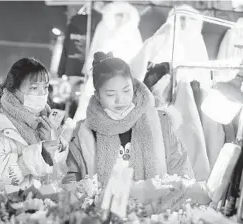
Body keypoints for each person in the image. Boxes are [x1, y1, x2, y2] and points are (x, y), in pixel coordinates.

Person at [64, 52, 193, 184]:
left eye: (126, 90)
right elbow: (72, 178)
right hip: (100, 204)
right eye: (110, 94)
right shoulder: (84, 132)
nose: (120, 100)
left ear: (134, 86)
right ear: (97, 95)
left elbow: (180, 168)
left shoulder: (160, 122)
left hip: (155, 203)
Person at [0, 58, 70, 205]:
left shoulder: (48, 123)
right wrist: (39, 155)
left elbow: (56, 178)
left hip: (31, 211)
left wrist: (53, 147)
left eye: (45, 87)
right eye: (33, 88)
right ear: (14, 89)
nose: (41, 93)